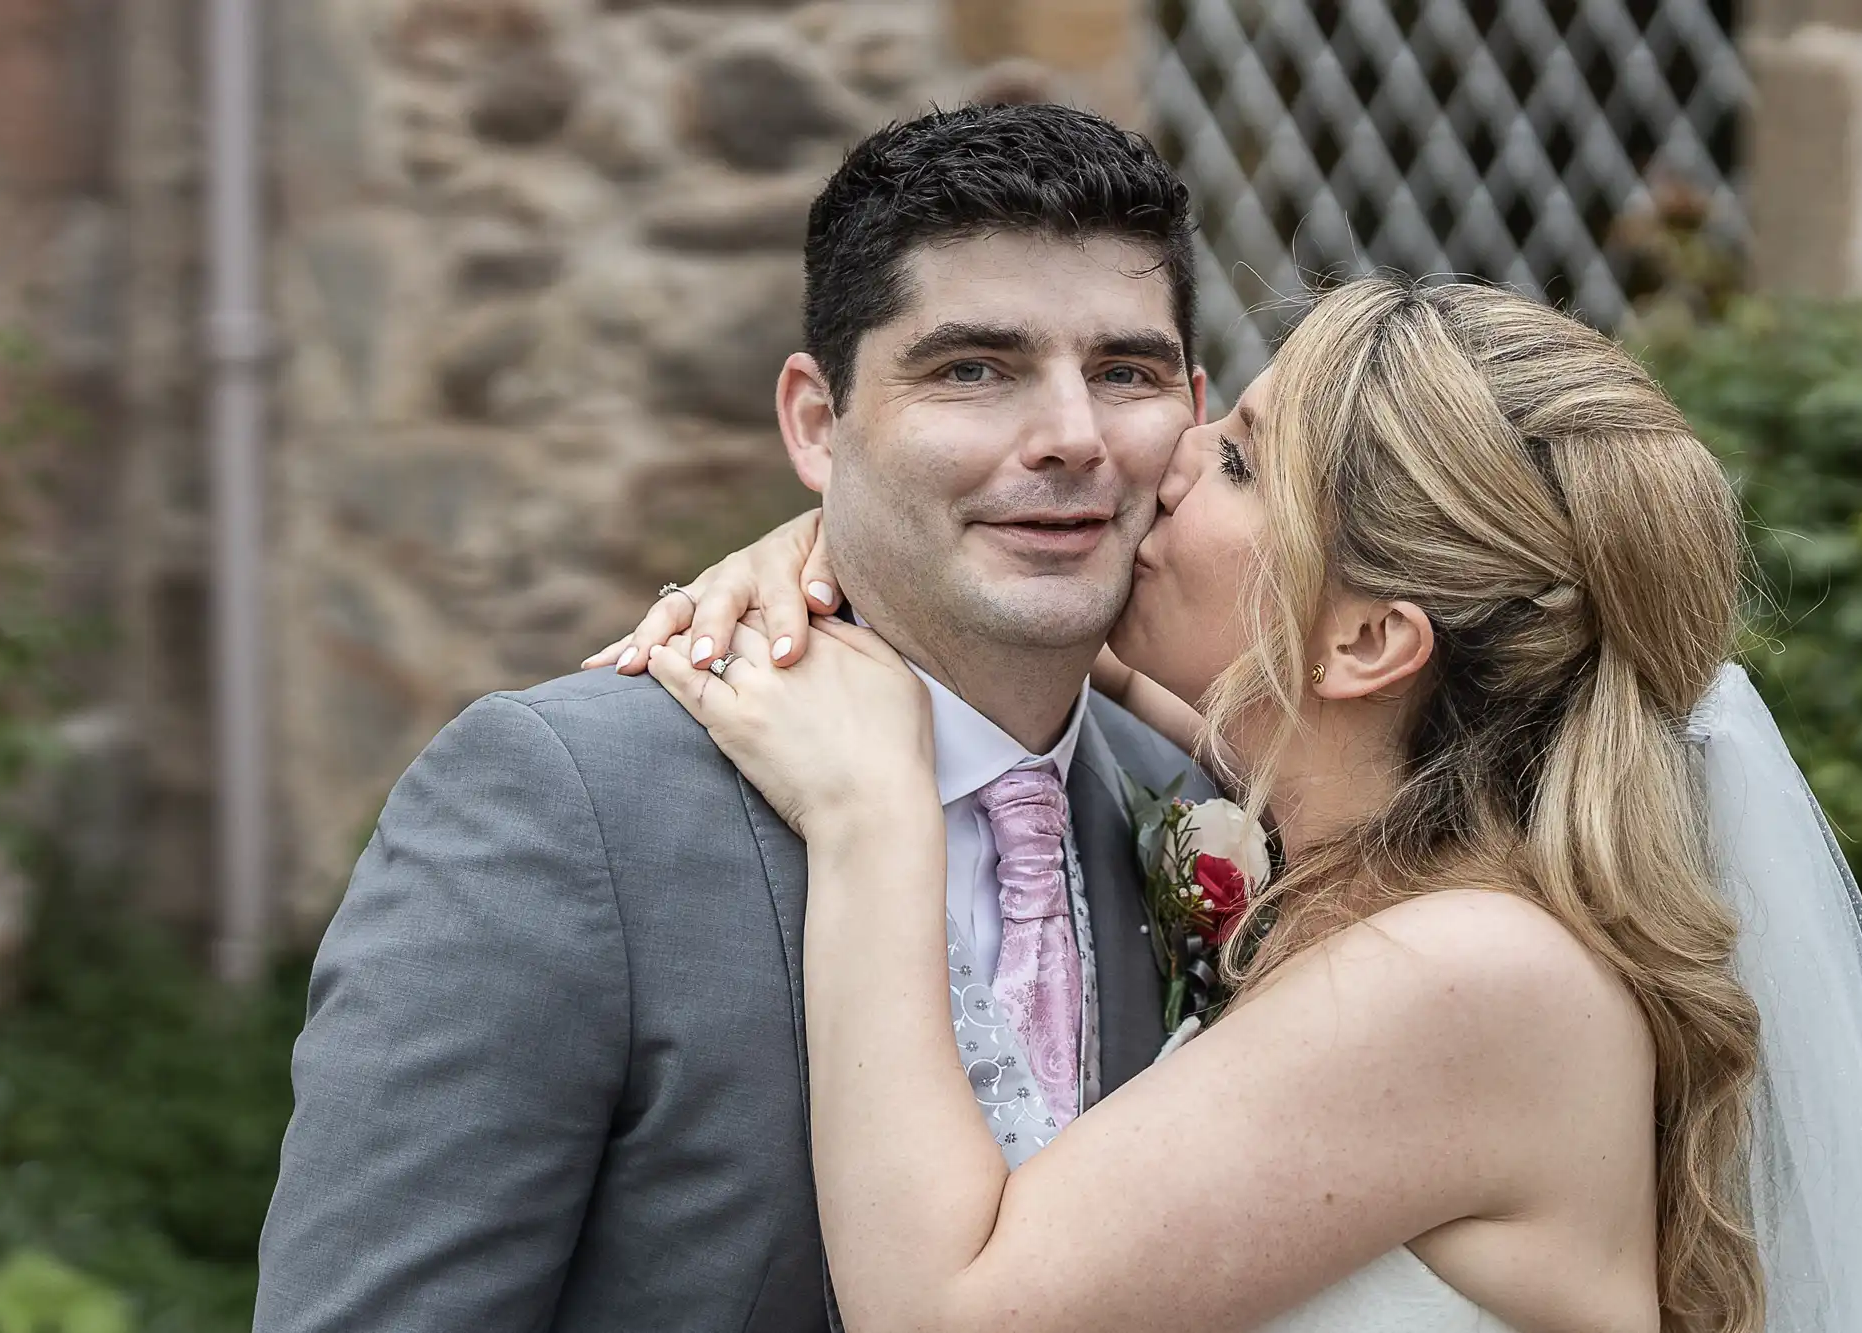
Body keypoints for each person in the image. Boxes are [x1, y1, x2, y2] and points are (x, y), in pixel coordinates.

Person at [597, 277, 1862, 1331]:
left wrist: (871, 821)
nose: (1172, 455)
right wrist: (829, 535)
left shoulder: (1468, 972)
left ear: (1366, 643)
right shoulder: (1374, 849)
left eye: (1244, 461)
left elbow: (950, 1314)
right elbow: (1023, 612)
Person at [252, 103, 1217, 1333]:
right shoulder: (563, 801)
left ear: (1189, 410)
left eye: (1123, 373)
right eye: (974, 368)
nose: (1071, 438)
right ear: (818, 423)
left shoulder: (1205, 799)